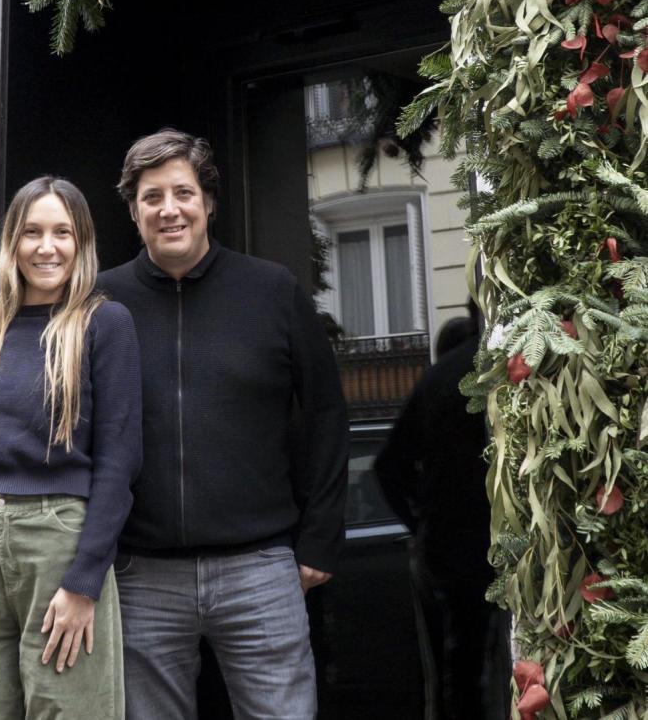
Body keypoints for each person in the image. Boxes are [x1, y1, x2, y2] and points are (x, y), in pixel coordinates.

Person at [97, 129, 348, 720]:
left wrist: (318, 539)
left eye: (182, 192)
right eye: (151, 196)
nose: (169, 209)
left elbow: (326, 415)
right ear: (134, 212)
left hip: (260, 568)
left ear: (208, 201)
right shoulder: (101, 303)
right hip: (141, 574)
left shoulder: (273, 291)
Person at [0, 176, 142, 720]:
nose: (46, 247)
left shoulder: (103, 324)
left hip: (58, 539)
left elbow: (119, 461)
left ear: (81, 243)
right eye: (32, 232)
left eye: (61, 232)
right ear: (12, 241)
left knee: (70, 709)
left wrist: (84, 581)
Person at [374, 313, 511, 720]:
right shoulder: (503, 368)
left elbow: (388, 465)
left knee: (460, 670)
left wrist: (422, 524)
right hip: (488, 543)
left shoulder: (436, 382)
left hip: (453, 549)